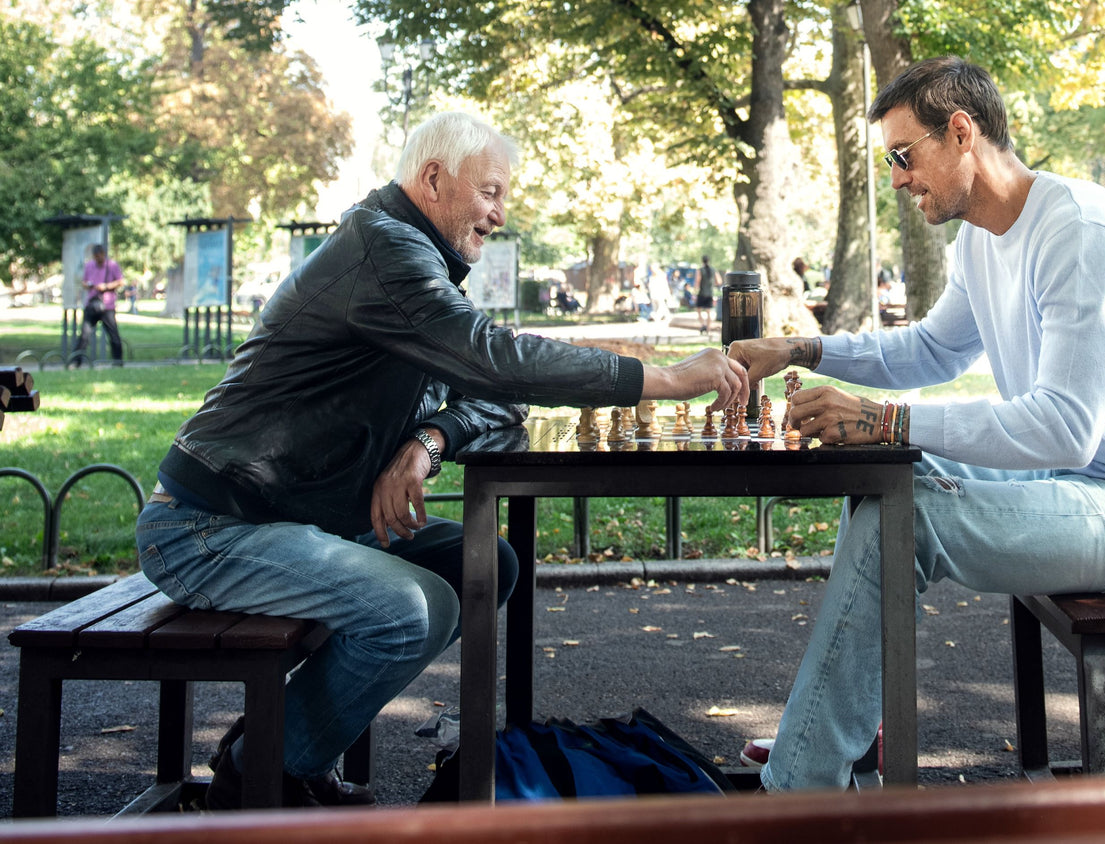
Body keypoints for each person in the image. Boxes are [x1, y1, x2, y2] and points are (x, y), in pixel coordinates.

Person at [135, 112, 747, 810]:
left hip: (302, 518)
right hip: (209, 528)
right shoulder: (385, 253)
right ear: (433, 179)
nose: (499, 213)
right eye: (489, 191)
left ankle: (286, 741)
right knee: (407, 609)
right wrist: (660, 377)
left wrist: (427, 443)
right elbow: (492, 358)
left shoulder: (415, 262)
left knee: (487, 564)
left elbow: (495, 399)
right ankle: (259, 771)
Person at [728, 56, 1105, 792]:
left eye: (904, 157)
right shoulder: (980, 236)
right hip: (1087, 489)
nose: (898, 179)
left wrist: (883, 420)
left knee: (909, 517)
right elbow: (932, 348)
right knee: (889, 486)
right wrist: (802, 349)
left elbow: (1064, 429)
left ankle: (800, 790)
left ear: (961, 133)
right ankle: (838, 746)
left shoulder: (1082, 233)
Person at [69, 243, 125, 367]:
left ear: (103, 255)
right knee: (84, 335)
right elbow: (84, 282)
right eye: (95, 256)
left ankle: (118, 362)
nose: (97, 259)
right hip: (92, 304)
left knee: (114, 335)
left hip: (107, 306)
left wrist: (106, 286)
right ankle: (76, 362)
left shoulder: (112, 266)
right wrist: (89, 285)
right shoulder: (89, 266)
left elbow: (120, 281)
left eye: (99, 256)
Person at [695, 255, 717, 332]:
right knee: (708, 312)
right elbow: (719, 281)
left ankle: (702, 325)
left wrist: (695, 291)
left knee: (698, 310)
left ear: (702, 261)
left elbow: (697, 282)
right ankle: (708, 329)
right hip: (710, 293)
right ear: (709, 260)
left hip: (701, 293)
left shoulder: (700, 270)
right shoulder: (713, 270)